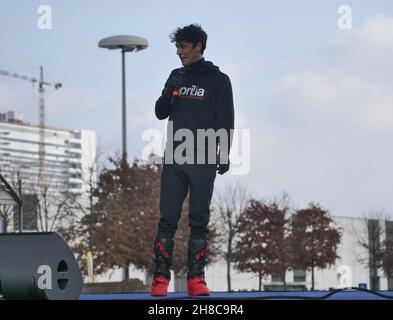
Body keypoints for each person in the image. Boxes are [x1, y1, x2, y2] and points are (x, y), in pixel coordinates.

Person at [151, 24, 234, 296]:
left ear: (198, 46)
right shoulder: (176, 76)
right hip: (175, 156)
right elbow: (161, 113)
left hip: (205, 155)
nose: (179, 52)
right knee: (168, 219)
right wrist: (168, 92)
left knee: (199, 219)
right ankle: (160, 280)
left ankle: (196, 280)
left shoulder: (219, 80)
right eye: (177, 47)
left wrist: (224, 152)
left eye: (183, 46)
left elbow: (226, 119)